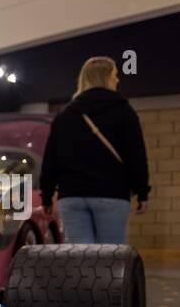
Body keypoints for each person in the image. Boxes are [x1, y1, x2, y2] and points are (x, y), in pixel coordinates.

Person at [40, 56, 150, 244]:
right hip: (111, 193)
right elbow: (136, 154)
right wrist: (142, 192)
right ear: (105, 77)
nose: (118, 80)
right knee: (110, 254)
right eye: (115, 75)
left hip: (72, 195)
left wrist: (47, 195)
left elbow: (51, 159)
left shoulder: (65, 115)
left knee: (80, 256)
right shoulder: (124, 111)